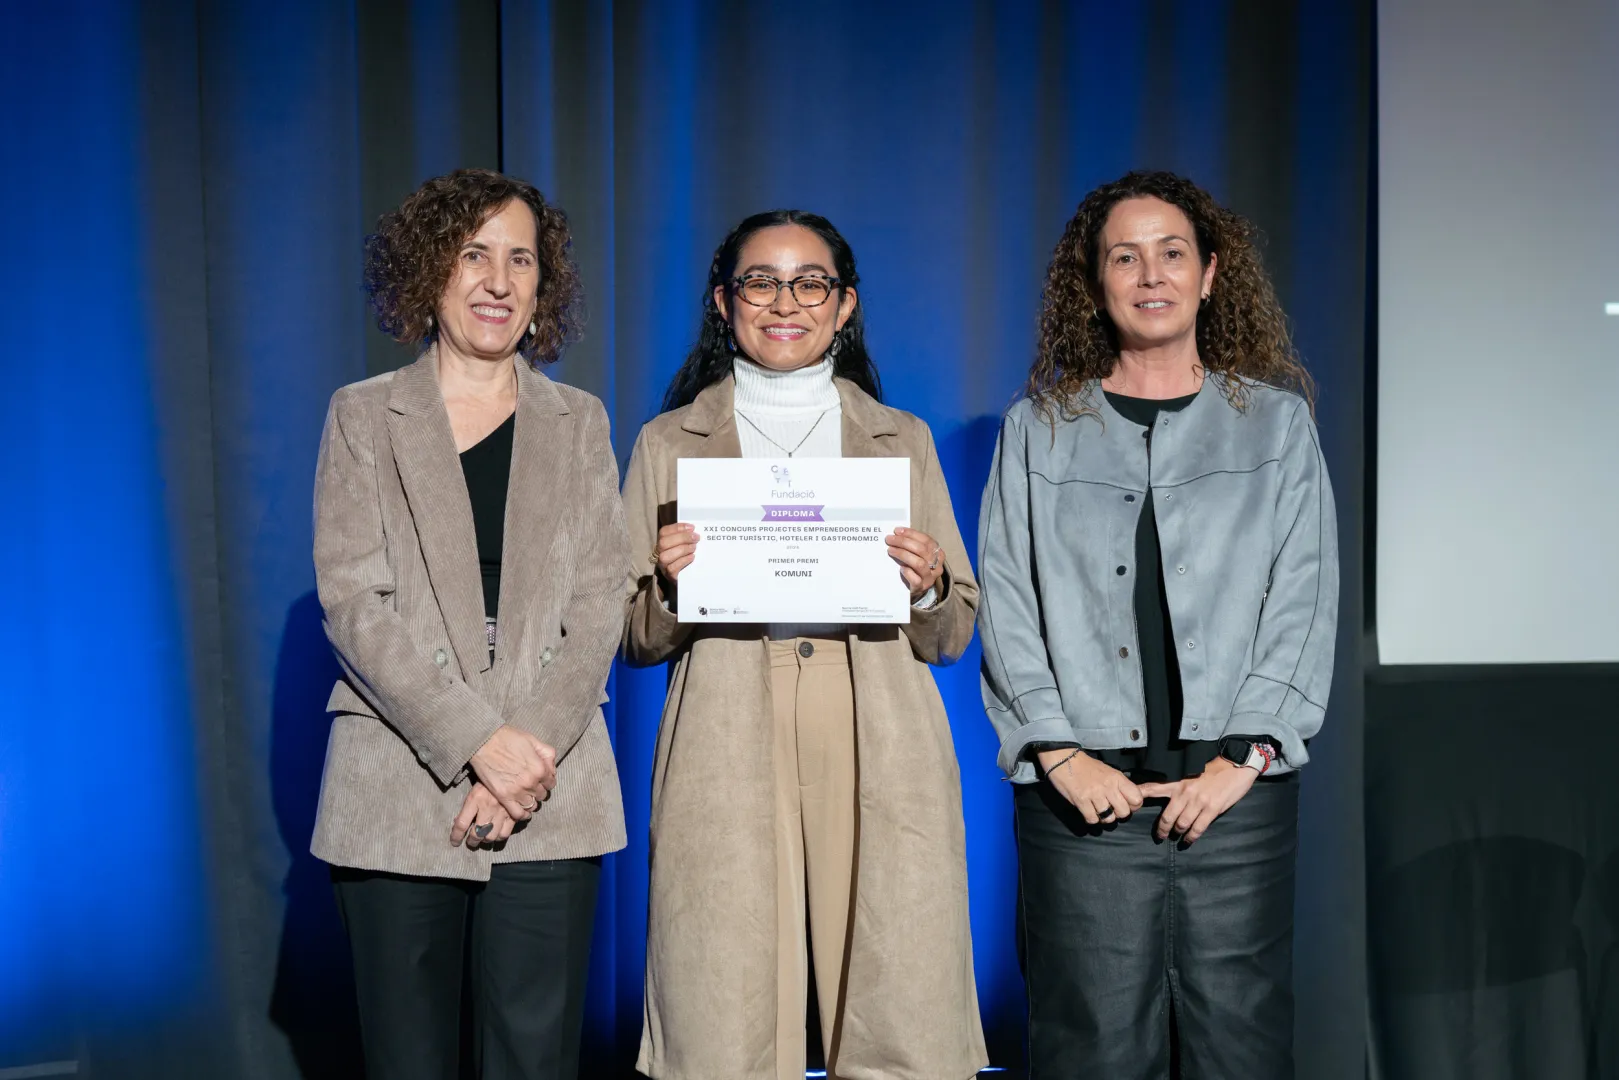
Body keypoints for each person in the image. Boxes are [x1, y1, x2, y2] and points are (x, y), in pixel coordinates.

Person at [978, 170, 1338, 1079]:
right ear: (1095, 284)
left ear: (1210, 274)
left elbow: (1301, 599)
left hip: (1234, 802)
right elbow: (1006, 600)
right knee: (1088, 1050)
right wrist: (1057, 753)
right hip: (1080, 808)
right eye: (1124, 257)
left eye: (1171, 253)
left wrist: (1244, 759)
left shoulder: (1277, 427)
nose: (1150, 275)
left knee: (1239, 1050)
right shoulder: (1036, 430)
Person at [622, 210, 988, 1080]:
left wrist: (929, 579)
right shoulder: (667, 443)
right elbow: (630, 638)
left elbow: (953, 631)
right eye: (760, 281)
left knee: (896, 993)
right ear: (723, 301)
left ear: (844, 303)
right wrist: (671, 587)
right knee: (725, 1002)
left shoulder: (904, 438)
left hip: (875, 716)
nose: (785, 302)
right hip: (726, 716)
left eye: (809, 282)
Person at [311, 168, 632, 1080]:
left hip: (549, 787)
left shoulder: (579, 422)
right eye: (473, 255)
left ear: (543, 285)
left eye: (520, 259)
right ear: (430, 275)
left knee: (535, 1060)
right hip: (397, 786)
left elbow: (598, 598)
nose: (498, 280)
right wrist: (474, 741)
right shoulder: (364, 415)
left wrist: (520, 748)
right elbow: (353, 602)